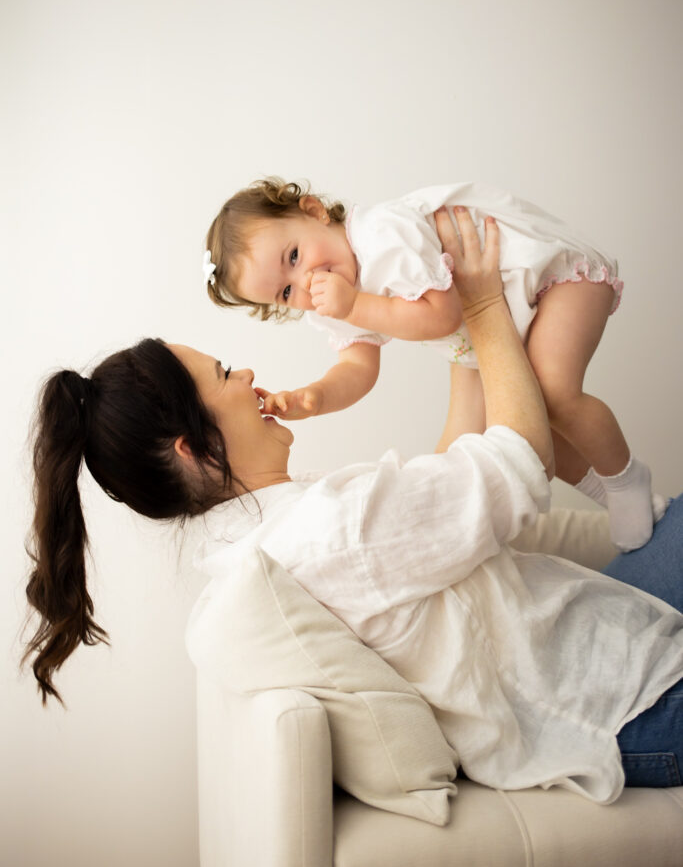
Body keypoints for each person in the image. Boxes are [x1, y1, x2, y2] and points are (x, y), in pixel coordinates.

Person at [25, 210, 682, 802]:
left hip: (604, 633)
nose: (249, 376)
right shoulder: (327, 532)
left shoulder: (271, 533)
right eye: (225, 374)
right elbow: (517, 463)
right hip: (627, 701)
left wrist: (455, 340)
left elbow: (446, 482)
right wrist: (483, 309)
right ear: (196, 447)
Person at [204, 178, 664, 551]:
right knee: (532, 421)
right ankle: (607, 492)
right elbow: (359, 368)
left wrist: (353, 306)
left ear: (314, 212)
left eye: (294, 257)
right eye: (286, 292)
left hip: (550, 276)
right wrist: (315, 396)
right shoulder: (333, 302)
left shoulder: (383, 234)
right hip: (505, 316)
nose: (305, 283)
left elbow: (441, 313)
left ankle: (624, 479)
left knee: (555, 392)